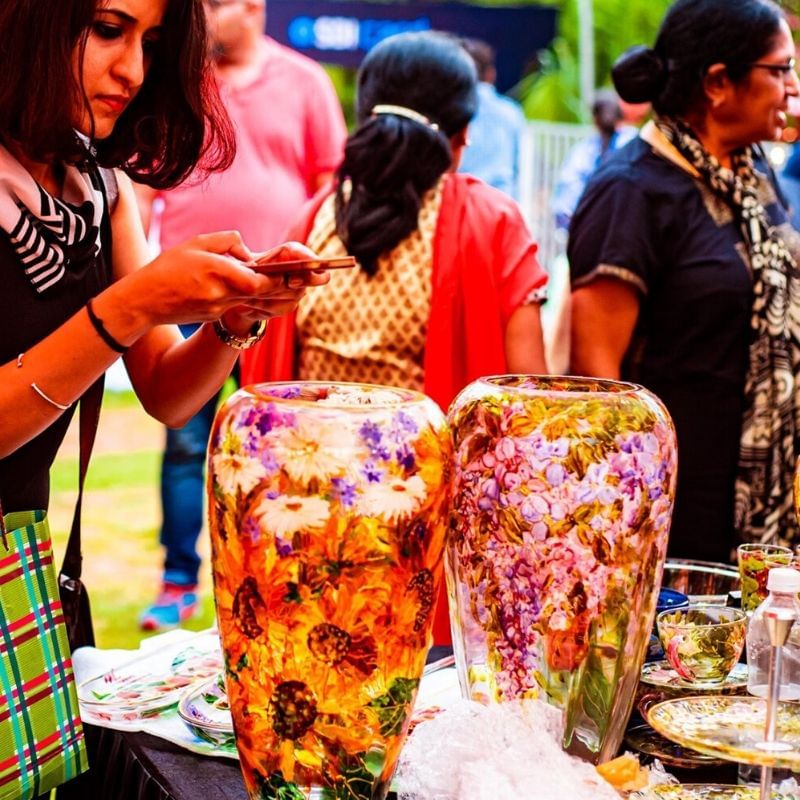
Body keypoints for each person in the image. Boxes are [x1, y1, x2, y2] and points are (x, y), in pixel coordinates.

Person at [0, 0, 329, 623]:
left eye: (151, 44)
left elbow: (166, 391)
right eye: (107, 31)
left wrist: (237, 314)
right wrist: (133, 303)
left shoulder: (98, 184)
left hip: (20, 561)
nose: (133, 71)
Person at [240, 30, 549, 643]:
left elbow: (265, 380)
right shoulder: (491, 223)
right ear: (462, 135)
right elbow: (525, 403)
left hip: (313, 534)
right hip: (427, 540)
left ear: (366, 115)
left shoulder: (311, 221)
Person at [136, 0, 347, 632]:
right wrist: (137, 266)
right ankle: (178, 581)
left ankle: (278, 579)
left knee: (281, 443)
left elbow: (331, 186)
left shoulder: (305, 81)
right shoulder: (178, 83)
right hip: (187, 299)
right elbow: (140, 186)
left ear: (252, 6)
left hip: (278, 300)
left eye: (212, 4)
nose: (198, 15)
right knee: (184, 441)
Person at [568, 0, 800, 562]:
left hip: (760, 502)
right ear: (718, 83)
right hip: (672, 512)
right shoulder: (630, 190)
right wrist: (628, 525)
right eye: (780, 69)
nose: (793, 87)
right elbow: (597, 385)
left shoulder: (751, 175)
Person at [551, 89, 638, 231]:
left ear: (594, 120)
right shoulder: (635, 144)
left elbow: (565, 202)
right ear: (620, 118)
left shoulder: (583, 151)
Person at [457, 37, 527, 201]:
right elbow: (519, 164)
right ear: (491, 73)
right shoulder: (511, 112)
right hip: (501, 200)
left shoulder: (452, 108)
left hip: (460, 200)